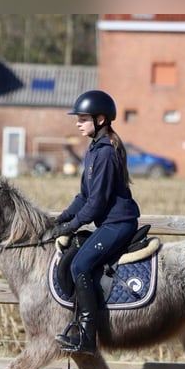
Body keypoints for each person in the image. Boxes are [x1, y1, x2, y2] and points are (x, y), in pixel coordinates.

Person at [49, 90, 141, 354]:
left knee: (80, 264)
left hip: (119, 224)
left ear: (100, 119)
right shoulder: (93, 150)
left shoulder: (105, 154)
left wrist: (72, 226)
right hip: (108, 224)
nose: (78, 122)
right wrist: (61, 219)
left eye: (83, 118)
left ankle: (87, 335)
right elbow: (83, 197)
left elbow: (96, 204)